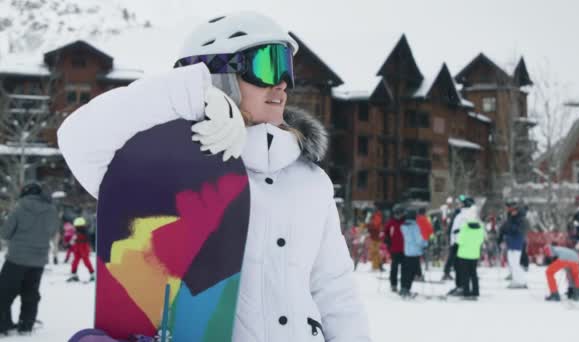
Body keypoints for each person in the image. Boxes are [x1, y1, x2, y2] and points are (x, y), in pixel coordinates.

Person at [58, 11, 370, 341]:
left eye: (286, 69)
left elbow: (335, 290)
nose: (281, 82)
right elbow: (79, 139)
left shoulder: (311, 180)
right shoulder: (169, 171)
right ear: (219, 76)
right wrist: (194, 94)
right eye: (267, 65)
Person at [0, 183, 59, 335]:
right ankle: (26, 326)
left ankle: (2, 325)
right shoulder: (52, 210)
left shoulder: (19, 208)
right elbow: (53, 232)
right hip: (38, 261)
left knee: (4, 293)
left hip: (16, 259)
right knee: (30, 293)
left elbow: (5, 233)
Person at [447, 195, 476, 296]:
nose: (459, 205)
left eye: (461, 203)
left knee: (461, 267)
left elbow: (462, 230)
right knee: (457, 267)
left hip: (460, 244)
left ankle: (463, 286)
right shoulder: (460, 214)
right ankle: (459, 285)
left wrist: (457, 242)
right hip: (456, 243)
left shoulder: (467, 215)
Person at [456, 208, 485, 300]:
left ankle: (466, 292)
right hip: (474, 254)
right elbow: (481, 241)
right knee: (473, 273)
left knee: (465, 274)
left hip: (463, 254)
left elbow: (459, 241)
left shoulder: (464, 227)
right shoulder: (480, 228)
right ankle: (476, 291)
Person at [500, 200, 528, 289]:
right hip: (510, 242)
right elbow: (505, 228)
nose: (511, 212)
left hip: (516, 243)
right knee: (512, 263)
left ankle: (520, 281)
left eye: (513, 210)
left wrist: (510, 228)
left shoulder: (520, 219)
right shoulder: (511, 219)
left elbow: (518, 230)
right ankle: (516, 280)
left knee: (515, 263)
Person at [400, 209, 427, 298]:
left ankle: (404, 288)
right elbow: (419, 239)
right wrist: (425, 243)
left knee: (406, 271)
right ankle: (407, 289)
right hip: (415, 252)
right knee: (411, 272)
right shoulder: (415, 226)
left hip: (407, 251)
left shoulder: (403, 226)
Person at [384, 203, 406, 292]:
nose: (398, 215)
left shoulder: (406, 222)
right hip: (394, 249)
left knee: (405, 269)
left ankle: (404, 285)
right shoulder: (391, 222)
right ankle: (393, 284)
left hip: (405, 250)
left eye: (400, 213)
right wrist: (387, 241)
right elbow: (386, 233)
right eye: (396, 213)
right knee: (394, 268)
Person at [67, 217, 95, 282]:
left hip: (84, 248)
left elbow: (86, 239)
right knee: (75, 262)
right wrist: (70, 244)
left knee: (86, 261)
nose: (76, 228)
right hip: (77, 249)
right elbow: (74, 239)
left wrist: (71, 243)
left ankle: (92, 274)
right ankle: (74, 275)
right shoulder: (76, 232)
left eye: (78, 226)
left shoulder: (85, 233)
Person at [442, 196, 462, 281]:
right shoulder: (455, 217)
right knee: (452, 255)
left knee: (453, 256)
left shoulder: (455, 216)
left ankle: (448, 271)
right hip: (454, 239)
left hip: (454, 238)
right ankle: (447, 272)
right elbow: (451, 228)